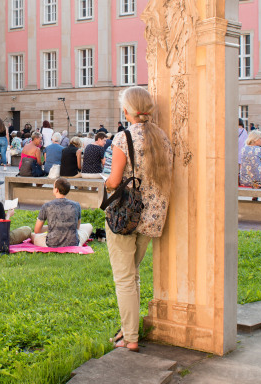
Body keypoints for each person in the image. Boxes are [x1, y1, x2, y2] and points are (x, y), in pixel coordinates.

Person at [104, 86, 173, 352]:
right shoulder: (162, 137)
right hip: (152, 216)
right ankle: (127, 329)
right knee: (133, 275)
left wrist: (107, 186)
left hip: (126, 215)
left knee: (124, 278)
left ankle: (130, 337)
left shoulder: (124, 138)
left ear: (126, 111)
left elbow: (114, 181)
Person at [32, 178, 92, 247]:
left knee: (32, 235)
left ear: (56, 190)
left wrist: (53, 226)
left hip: (51, 243)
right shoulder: (76, 205)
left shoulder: (47, 206)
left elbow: (37, 230)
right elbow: (77, 228)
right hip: (73, 243)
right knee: (88, 226)